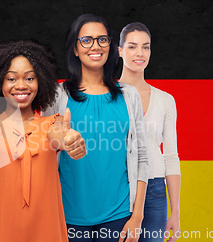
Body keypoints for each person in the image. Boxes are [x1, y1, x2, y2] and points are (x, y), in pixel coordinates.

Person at [0, 40, 86, 242]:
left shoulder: (53, 122)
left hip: (46, 232)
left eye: (29, 78)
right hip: (0, 232)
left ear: (41, 82)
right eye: (11, 79)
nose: (21, 85)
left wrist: (69, 140)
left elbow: (58, 135)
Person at [42, 14, 148, 242]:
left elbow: (141, 157)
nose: (95, 46)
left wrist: (137, 215)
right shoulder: (58, 96)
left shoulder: (129, 96)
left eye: (102, 39)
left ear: (111, 46)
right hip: (68, 215)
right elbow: (44, 150)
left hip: (119, 215)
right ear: (75, 49)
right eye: (86, 40)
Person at [118, 22, 181, 242]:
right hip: (118, 187)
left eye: (146, 47)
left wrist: (176, 212)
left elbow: (171, 156)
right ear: (120, 51)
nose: (140, 53)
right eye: (133, 46)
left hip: (155, 190)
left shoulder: (165, 100)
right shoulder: (109, 96)